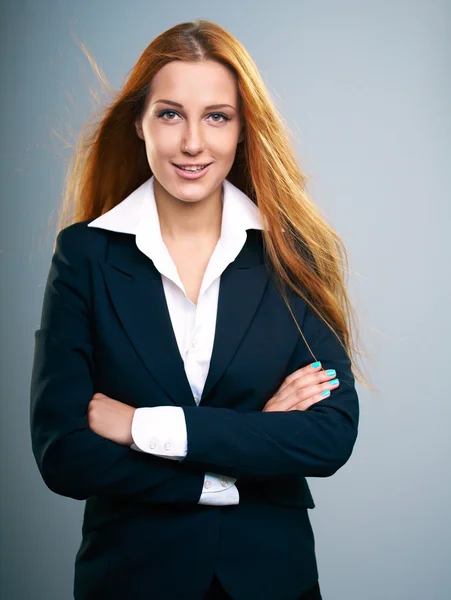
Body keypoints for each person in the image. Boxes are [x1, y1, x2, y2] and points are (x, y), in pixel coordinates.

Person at [30, 19, 365, 600]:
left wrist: (142, 427)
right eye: (169, 113)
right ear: (140, 122)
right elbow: (64, 454)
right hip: (130, 581)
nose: (192, 143)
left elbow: (329, 437)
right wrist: (243, 451)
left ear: (241, 130)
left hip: (272, 581)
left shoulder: (289, 256)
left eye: (217, 116)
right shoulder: (85, 255)